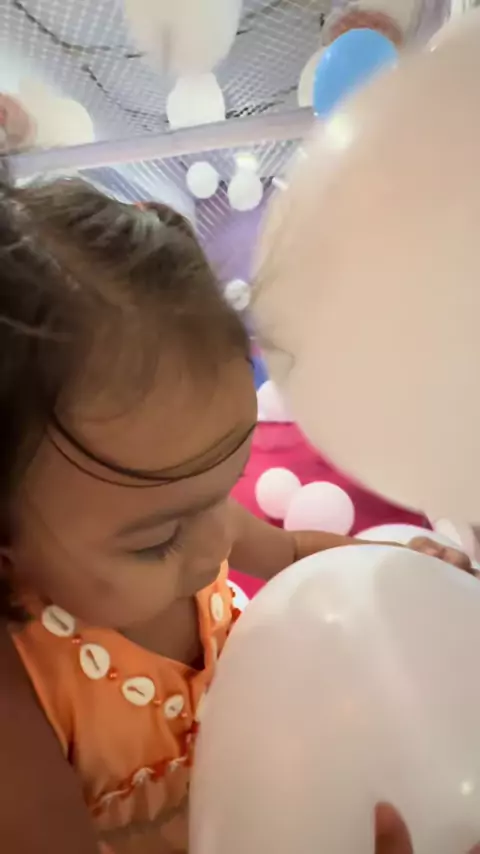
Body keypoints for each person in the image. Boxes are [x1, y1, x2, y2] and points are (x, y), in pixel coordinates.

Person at [0, 175, 471, 854]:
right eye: (159, 540)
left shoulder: (199, 522)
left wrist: (396, 572)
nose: (216, 541)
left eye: (227, 485)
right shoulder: (21, 702)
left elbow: (297, 555)